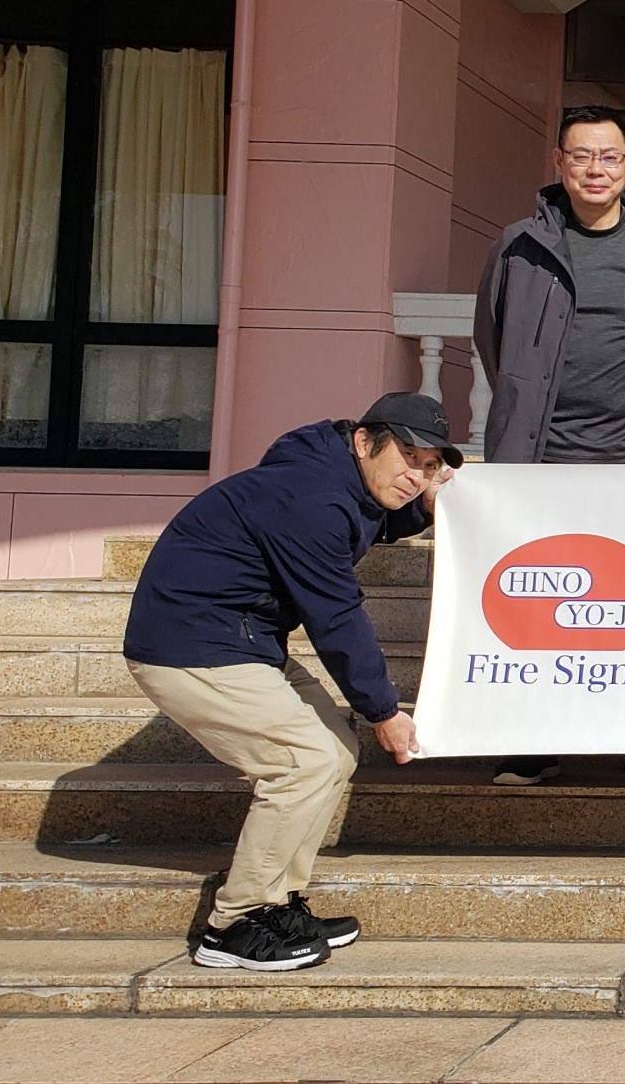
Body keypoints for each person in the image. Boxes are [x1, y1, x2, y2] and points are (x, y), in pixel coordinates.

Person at [124, 393, 455, 971]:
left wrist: (424, 509)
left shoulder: (332, 477)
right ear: (364, 441)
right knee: (304, 761)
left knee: (334, 750)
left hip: (242, 639)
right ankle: (234, 924)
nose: (416, 475)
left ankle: (276, 903)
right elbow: (337, 616)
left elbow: (372, 521)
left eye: (429, 466)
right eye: (408, 456)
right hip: (191, 646)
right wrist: (382, 709)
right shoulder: (310, 496)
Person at [474, 105, 625, 787]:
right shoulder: (519, 246)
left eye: (608, 157)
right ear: (559, 163)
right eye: (581, 156)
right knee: (540, 598)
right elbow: (492, 340)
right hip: (544, 458)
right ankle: (532, 740)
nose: (595, 170)